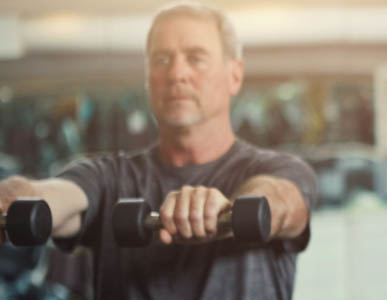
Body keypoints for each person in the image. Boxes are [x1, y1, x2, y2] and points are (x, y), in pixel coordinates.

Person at [0, 2, 316, 299]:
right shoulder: (110, 178)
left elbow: (282, 204)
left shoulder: (278, 171)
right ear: (148, 79)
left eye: (196, 58)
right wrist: (20, 194)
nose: (176, 74)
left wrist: (226, 210)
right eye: (162, 60)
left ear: (234, 75)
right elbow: (62, 198)